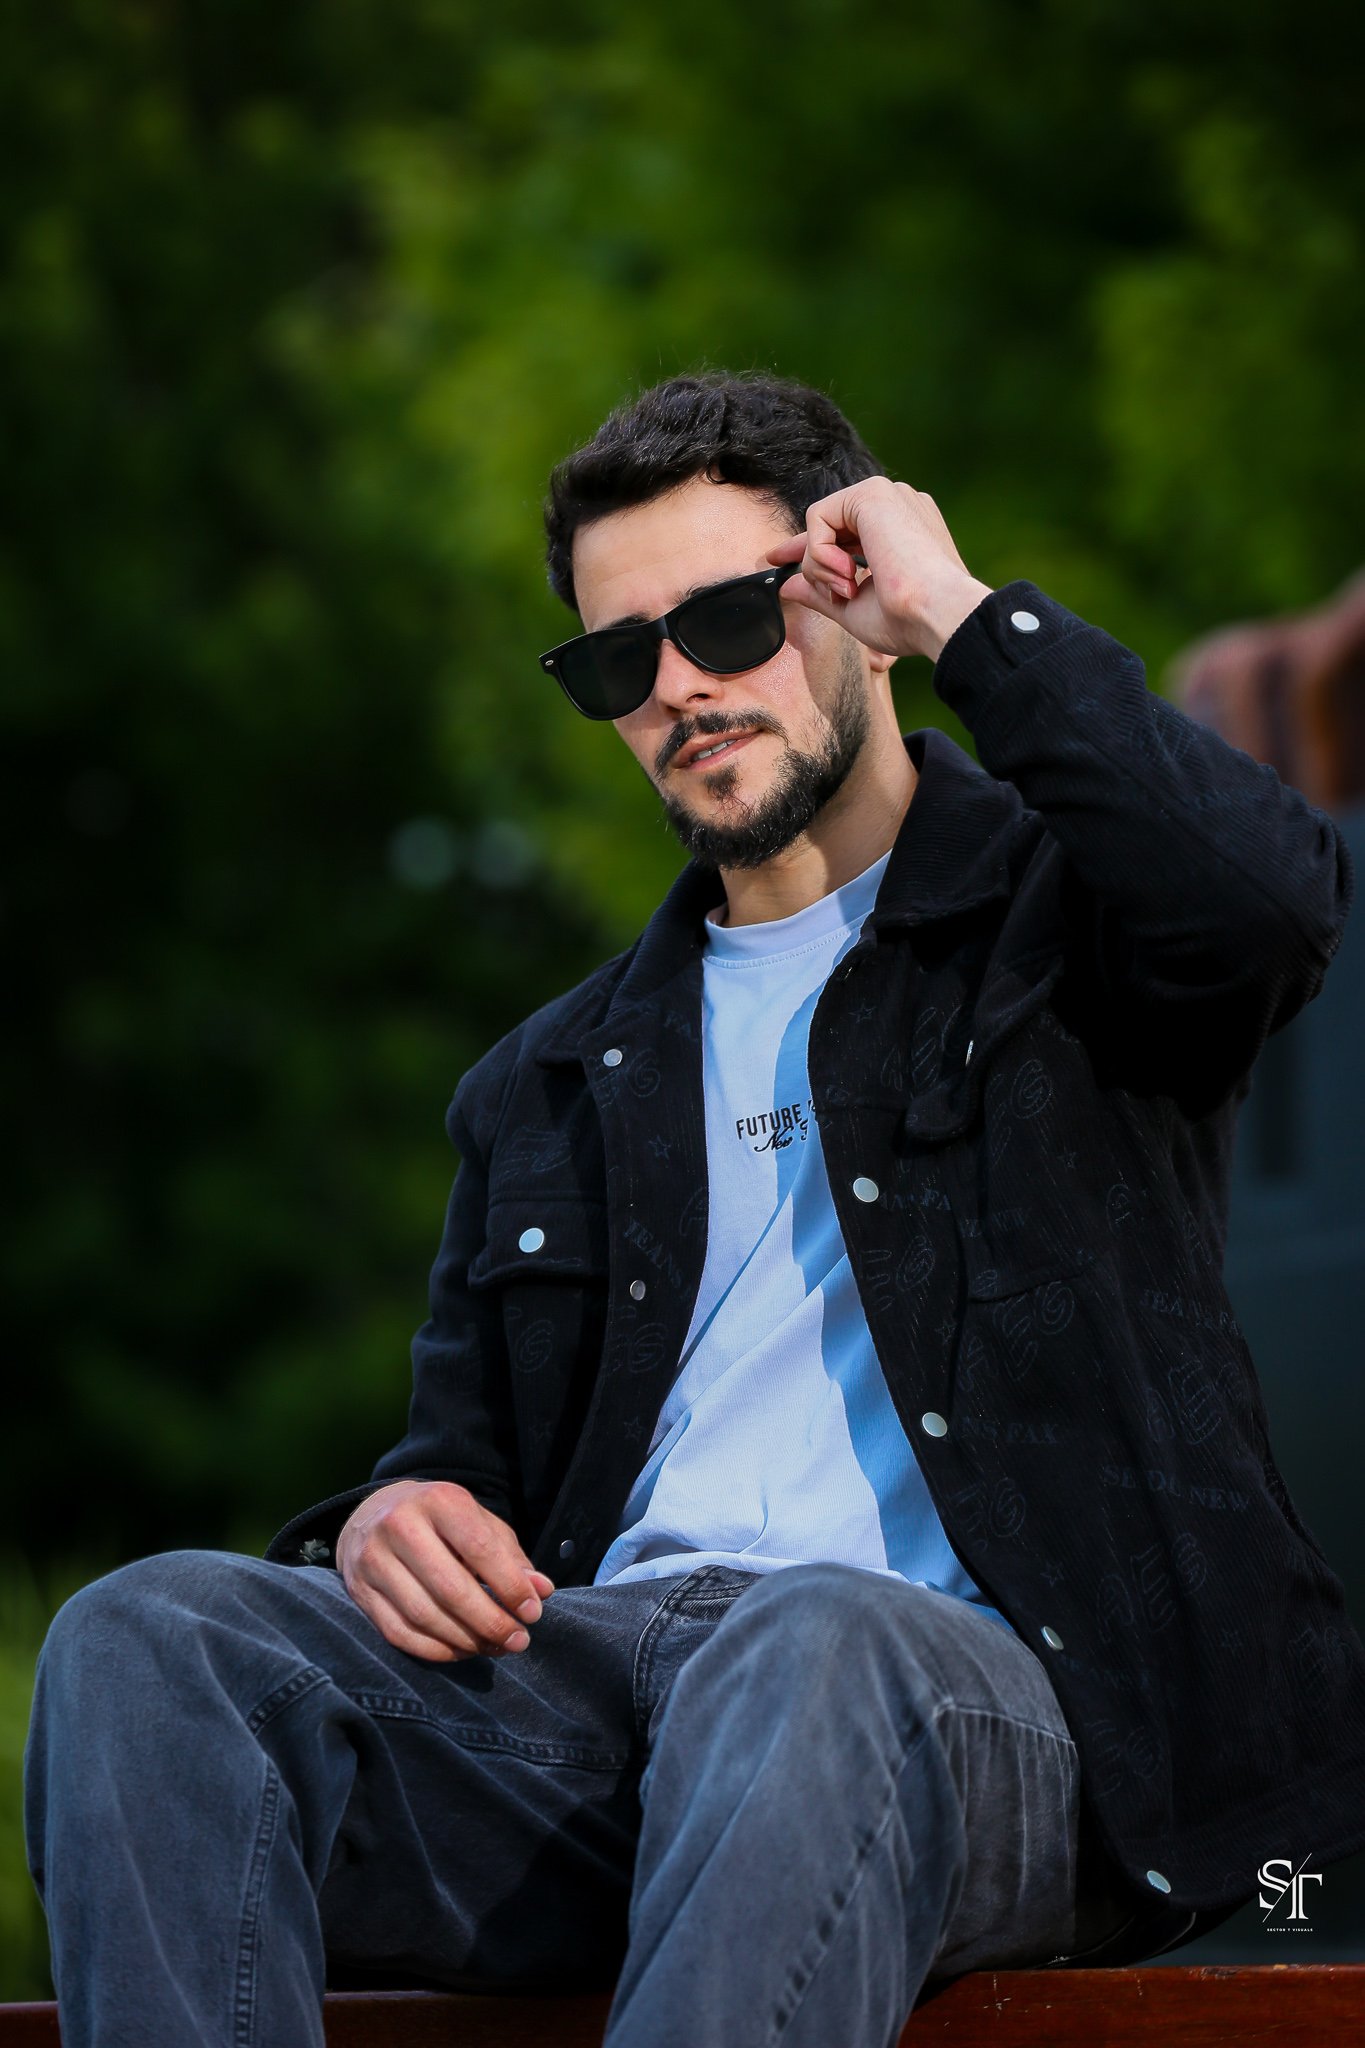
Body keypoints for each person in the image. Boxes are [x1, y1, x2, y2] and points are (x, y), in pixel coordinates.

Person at [25, 371, 1365, 2048]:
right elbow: (463, 1465)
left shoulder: (1063, 922)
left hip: (995, 1705)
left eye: (727, 620)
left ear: (855, 601)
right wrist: (395, 1516)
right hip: (606, 1712)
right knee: (145, 1635)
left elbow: (1272, 904)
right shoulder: (549, 1077)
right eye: (616, 660)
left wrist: (965, 615)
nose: (678, 691)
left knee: (804, 1649)